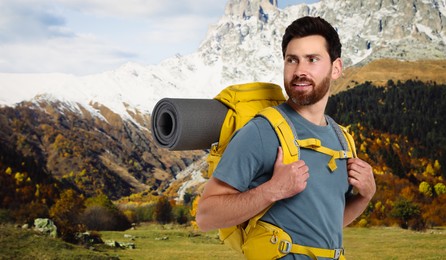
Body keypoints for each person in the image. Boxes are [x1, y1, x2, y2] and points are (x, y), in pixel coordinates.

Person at [196, 16, 376, 259]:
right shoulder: (261, 131)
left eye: (312, 60)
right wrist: (273, 190)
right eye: (292, 60)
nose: (300, 71)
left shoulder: (342, 140)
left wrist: (366, 196)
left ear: (336, 68)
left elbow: (325, 226)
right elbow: (206, 216)